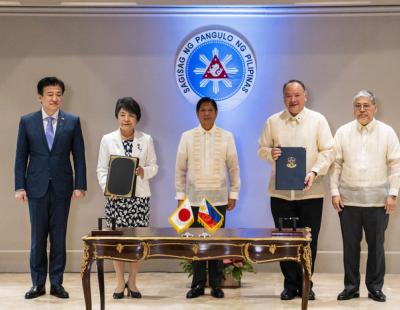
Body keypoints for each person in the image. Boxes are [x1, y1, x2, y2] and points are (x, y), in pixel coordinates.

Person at [257, 80, 334, 300]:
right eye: (289, 96)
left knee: (309, 240)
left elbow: (328, 151)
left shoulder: (318, 120)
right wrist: (269, 153)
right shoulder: (273, 121)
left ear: (305, 96)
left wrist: (315, 172)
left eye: (297, 95)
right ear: (284, 98)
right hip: (280, 194)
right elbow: (261, 148)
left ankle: (306, 282)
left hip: (311, 192)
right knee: (284, 240)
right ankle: (290, 285)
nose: (293, 100)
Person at [14, 76, 87, 299]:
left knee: (59, 237)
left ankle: (56, 283)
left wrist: (80, 185)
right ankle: (37, 284)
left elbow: (79, 156)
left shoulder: (72, 121)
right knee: (37, 238)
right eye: (50, 94)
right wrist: (19, 186)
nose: (55, 98)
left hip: (63, 187)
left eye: (58, 95)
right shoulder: (27, 121)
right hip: (35, 187)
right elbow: (20, 157)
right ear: (40, 97)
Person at [330, 90, 400, 302]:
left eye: (366, 106)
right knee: (350, 247)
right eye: (358, 106)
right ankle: (350, 287)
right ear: (354, 109)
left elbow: (395, 164)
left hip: (378, 202)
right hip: (348, 202)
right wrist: (334, 192)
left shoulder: (387, 132)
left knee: (377, 247)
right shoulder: (342, 132)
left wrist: (393, 194)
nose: (362, 110)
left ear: (375, 108)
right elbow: (336, 165)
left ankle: (375, 288)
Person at [175, 97, 240, 299]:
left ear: (216, 113)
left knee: (215, 244)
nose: (206, 113)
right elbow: (180, 169)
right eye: (203, 110)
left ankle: (216, 285)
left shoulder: (226, 136)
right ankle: (197, 285)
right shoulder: (187, 136)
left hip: (216, 199)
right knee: (197, 245)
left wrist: (234, 193)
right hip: (194, 199)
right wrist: (180, 197)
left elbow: (234, 167)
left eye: (210, 110)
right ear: (197, 113)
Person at [97, 97, 158, 299]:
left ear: (137, 119)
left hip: (139, 199)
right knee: (117, 242)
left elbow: (154, 167)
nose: (126, 119)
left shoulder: (146, 139)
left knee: (136, 242)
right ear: (117, 117)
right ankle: (118, 281)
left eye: (131, 115)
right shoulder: (107, 139)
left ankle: (132, 281)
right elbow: (102, 169)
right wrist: (108, 188)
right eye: (122, 115)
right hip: (116, 200)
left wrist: (143, 171)